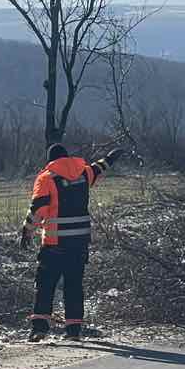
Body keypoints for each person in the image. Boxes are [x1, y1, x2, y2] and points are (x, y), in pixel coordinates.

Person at [21, 132, 124, 342]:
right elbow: (98, 168)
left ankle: (39, 328)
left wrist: (27, 231)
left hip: (55, 244)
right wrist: (111, 158)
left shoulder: (46, 178)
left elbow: (38, 208)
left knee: (45, 285)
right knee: (74, 286)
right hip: (79, 243)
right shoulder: (83, 174)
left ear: (50, 160)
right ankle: (74, 330)